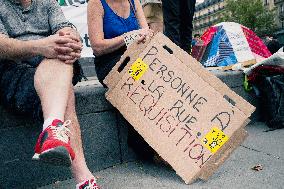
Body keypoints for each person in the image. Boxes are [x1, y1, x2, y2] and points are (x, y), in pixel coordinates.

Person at [0, 0, 99, 188]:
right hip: (13, 72)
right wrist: (40, 46)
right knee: (65, 90)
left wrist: (70, 37)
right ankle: (83, 178)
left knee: (62, 59)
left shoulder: (47, 2)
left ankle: (52, 128)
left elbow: (64, 25)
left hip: (51, 66)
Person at [87, 0, 156, 160]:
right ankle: (147, 146)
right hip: (111, 63)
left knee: (158, 78)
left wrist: (147, 35)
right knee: (138, 79)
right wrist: (127, 38)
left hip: (137, 57)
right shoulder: (96, 3)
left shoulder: (134, 2)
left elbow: (145, 31)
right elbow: (97, 47)